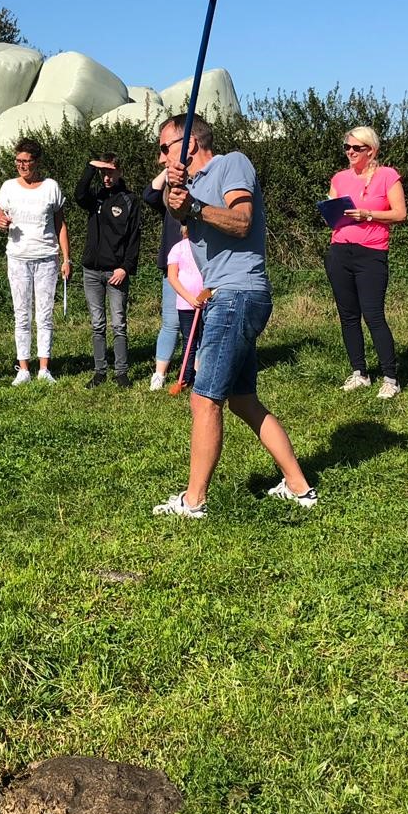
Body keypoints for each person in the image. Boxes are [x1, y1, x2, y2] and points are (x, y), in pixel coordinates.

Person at [151, 114, 316, 517]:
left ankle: (194, 501)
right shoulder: (192, 184)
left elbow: (241, 222)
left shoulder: (231, 163)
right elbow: (185, 221)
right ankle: (299, 488)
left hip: (238, 295)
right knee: (242, 400)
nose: (160, 157)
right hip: (227, 295)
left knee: (204, 398)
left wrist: (192, 204)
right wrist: (177, 201)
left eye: (164, 147)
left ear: (188, 145)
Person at [325, 125, 406, 399]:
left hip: (371, 252)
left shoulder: (387, 176)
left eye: (356, 148)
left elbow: (400, 213)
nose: (350, 152)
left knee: (373, 315)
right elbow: (332, 213)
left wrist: (368, 214)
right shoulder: (339, 178)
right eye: (347, 147)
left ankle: (391, 377)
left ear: (371, 150)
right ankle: (359, 372)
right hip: (340, 250)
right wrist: (330, 210)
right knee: (348, 316)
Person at [0, 138, 70, 384]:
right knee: (21, 313)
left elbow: (60, 224)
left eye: (27, 161)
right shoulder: (8, 187)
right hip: (18, 258)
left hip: (47, 257)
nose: (22, 166)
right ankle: (23, 368)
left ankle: (44, 368)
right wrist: (0, 224)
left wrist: (66, 258)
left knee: (45, 313)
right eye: (18, 161)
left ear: (36, 162)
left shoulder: (50, 187)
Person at [73, 151, 142, 387]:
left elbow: (134, 239)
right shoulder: (95, 199)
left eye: (110, 172)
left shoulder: (130, 200)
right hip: (91, 272)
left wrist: (125, 268)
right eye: (103, 173)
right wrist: (90, 167)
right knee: (97, 323)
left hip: (116, 273)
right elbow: (78, 194)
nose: (106, 177)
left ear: (119, 171)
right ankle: (100, 371)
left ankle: (121, 372)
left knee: (119, 323)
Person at [142, 159, 185, 390]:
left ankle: (193, 372)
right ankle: (159, 374)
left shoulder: (196, 196)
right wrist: (168, 171)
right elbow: (149, 194)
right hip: (172, 268)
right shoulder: (168, 203)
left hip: (198, 269)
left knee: (197, 326)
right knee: (171, 322)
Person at [165, 228, 205, 390]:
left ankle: (205, 376)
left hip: (208, 303)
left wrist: (207, 294)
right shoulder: (178, 248)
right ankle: (186, 378)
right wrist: (190, 299)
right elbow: (172, 277)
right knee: (189, 341)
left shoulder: (207, 247)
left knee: (208, 341)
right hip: (186, 305)